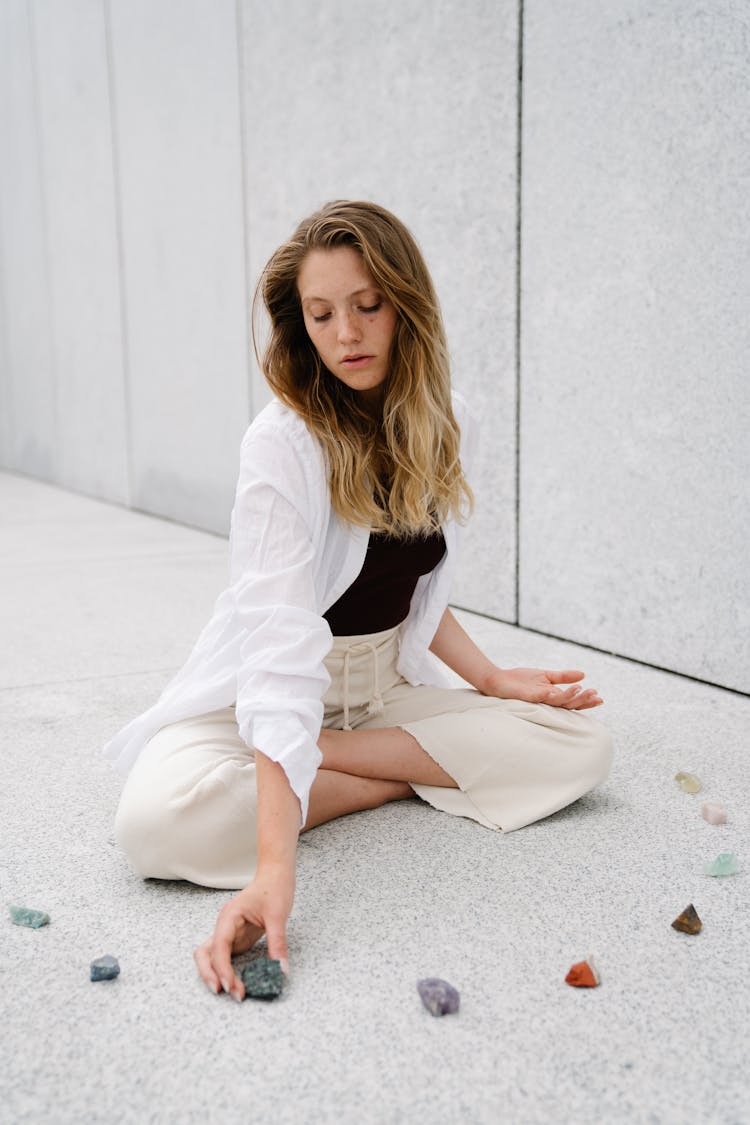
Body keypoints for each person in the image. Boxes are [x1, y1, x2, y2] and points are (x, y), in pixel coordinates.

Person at [104, 200, 612, 1003]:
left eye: (368, 304)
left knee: (581, 746)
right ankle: (392, 774)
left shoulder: (448, 423)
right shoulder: (282, 444)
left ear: (405, 301)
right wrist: (276, 870)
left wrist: (493, 680)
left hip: (380, 694)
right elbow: (277, 652)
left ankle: (334, 765)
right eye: (322, 313)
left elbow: (414, 592)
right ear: (299, 323)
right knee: (152, 824)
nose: (348, 332)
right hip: (267, 696)